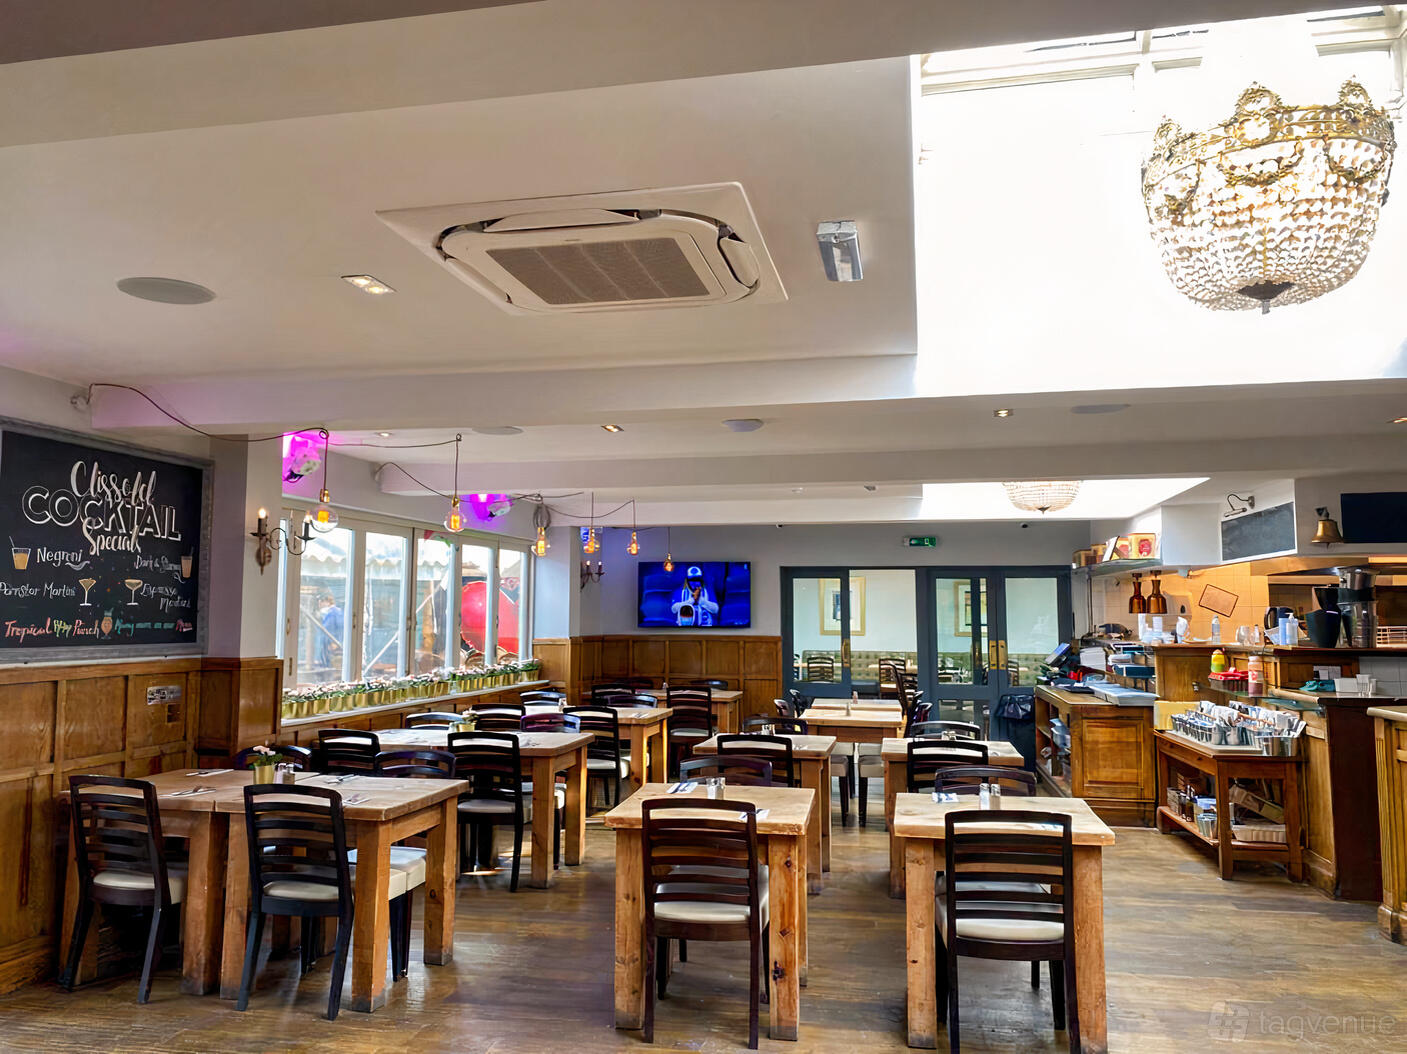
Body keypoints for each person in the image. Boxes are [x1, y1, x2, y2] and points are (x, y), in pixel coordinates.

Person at [317, 592, 344, 672]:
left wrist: (335, 642)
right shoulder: (328, 614)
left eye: (321, 602)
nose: (319, 605)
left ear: (327, 601)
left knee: (331, 667)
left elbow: (340, 629)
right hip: (327, 645)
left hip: (332, 644)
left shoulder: (335, 613)